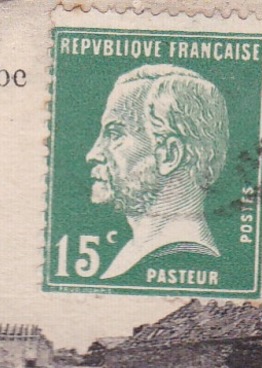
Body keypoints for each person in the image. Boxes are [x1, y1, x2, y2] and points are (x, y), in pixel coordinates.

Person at [85, 64, 231, 279]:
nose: (93, 153)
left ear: (169, 155)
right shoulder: (134, 253)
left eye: (115, 134)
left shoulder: (183, 259)